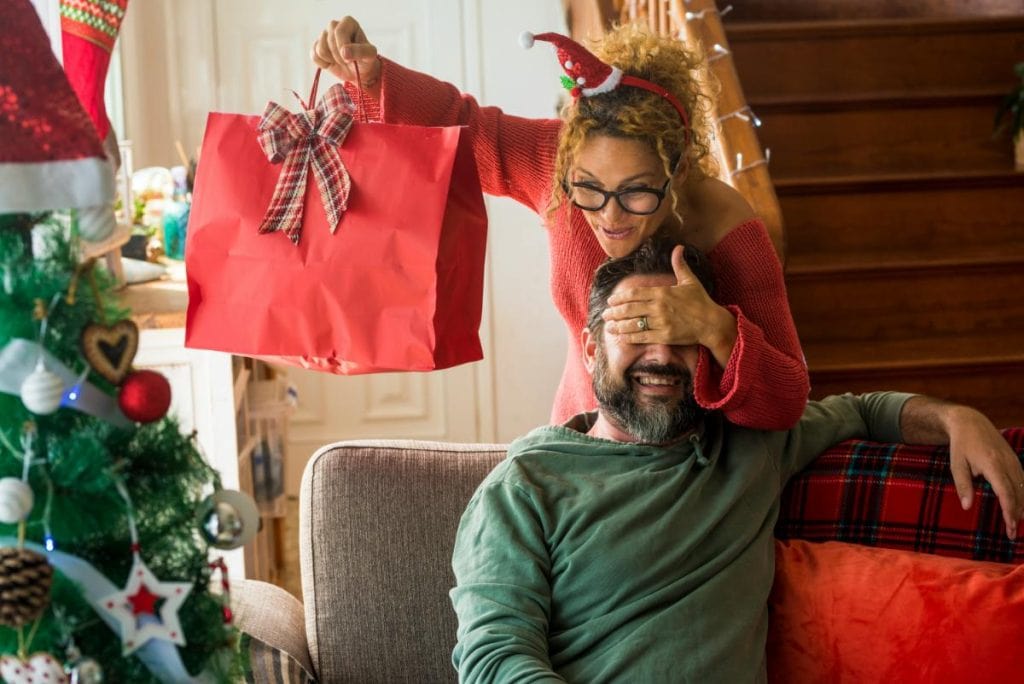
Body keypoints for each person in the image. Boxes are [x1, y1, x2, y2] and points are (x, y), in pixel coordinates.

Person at [449, 236, 1024, 683]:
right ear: (593, 346)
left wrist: (956, 419)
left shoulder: (750, 442)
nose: (661, 355)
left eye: (683, 333)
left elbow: (865, 409)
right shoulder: (526, 483)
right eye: (639, 328)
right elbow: (495, 654)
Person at [312, 19, 809, 429]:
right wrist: (373, 77)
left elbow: (788, 402)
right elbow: (462, 124)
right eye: (588, 190)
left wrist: (717, 330)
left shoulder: (726, 226)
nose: (609, 217)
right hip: (580, 438)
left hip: (690, 467)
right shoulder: (553, 165)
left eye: (636, 192)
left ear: (677, 170)